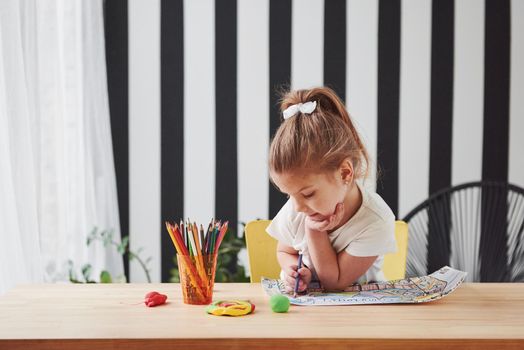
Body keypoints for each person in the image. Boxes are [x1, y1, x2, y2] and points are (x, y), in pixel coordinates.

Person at [266, 86, 397, 293]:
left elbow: (334, 283)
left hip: (360, 316)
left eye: (308, 194)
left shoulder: (374, 221)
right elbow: (285, 250)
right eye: (289, 195)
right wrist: (291, 268)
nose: (298, 206)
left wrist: (313, 230)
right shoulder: (298, 208)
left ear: (345, 173)